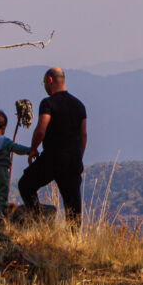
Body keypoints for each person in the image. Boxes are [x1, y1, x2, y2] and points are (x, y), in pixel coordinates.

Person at [18, 66, 87, 226]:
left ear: (50, 80)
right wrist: (78, 157)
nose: (44, 86)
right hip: (73, 159)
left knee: (25, 185)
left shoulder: (48, 103)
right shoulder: (79, 105)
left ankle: (39, 221)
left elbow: (41, 130)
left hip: (53, 158)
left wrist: (33, 149)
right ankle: (74, 237)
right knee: (73, 205)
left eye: (44, 82)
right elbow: (84, 134)